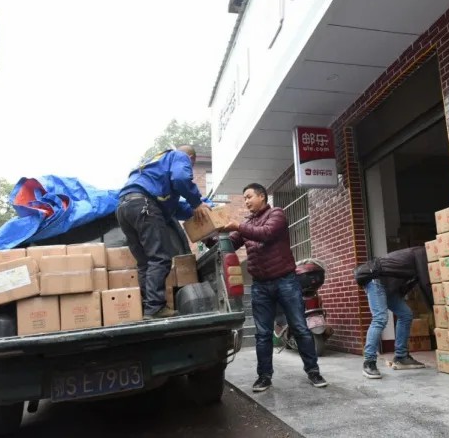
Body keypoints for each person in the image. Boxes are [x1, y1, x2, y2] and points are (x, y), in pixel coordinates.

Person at [217, 183, 328, 391]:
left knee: (300, 328)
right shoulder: (247, 223)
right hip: (260, 285)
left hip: (286, 281)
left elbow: (266, 233)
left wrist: (238, 226)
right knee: (262, 334)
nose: (246, 201)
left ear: (262, 196)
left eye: (249, 196)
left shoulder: (277, 214)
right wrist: (213, 233)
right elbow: (229, 244)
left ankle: (313, 371)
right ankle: (264, 376)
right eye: (244, 198)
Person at [116, 145, 211, 319]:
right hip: (144, 206)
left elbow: (176, 209)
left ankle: (148, 308)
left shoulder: (155, 168)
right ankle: (155, 308)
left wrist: (198, 209)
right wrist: (197, 202)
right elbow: (181, 178)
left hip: (124, 208)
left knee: (145, 263)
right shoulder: (179, 156)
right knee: (160, 258)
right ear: (191, 159)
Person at [356, 246, 431, 379]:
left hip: (388, 286)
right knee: (380, 318)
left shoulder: (420, 258)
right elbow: (425, 283)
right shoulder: (421, 253)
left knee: (405, 314)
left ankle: (401, 357)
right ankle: (369, 362)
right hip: (375, 280)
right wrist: (434, 307)